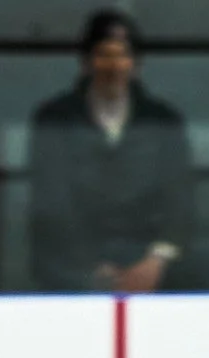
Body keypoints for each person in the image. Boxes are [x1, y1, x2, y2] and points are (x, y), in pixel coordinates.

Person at [27, 9, 193, 294]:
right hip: (71, 266)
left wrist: (155, 261)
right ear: (86, 63)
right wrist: (87, 266)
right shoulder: (55, 119)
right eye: (104, 55)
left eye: (123, 56)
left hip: (148, 262)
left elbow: (180, 198)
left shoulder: (162, 120)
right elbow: (52, 201)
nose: (114, 67)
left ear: (136, 65)